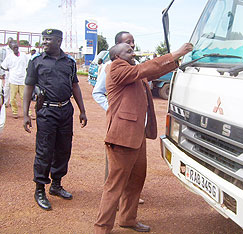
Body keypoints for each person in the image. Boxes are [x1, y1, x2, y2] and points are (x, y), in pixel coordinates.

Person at [94, 42, 193, 234]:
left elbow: (152, 72)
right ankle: (101, 228)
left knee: (137, 180)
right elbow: (146, 68)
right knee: (115, 185)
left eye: (133, 50)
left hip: (137, 136)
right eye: (128, 51)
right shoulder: (116, 68)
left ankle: (127, 219)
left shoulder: (133, 72)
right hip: (122, 138)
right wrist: (175, 53)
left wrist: (178, 61)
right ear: (117, 57)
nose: (133, 53)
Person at [23, 29, 87, 211]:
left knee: (63, 149)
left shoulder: (70, 62)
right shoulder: (36, 61)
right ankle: (40, 189)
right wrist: (26, 114)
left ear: (59, 41)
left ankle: (56, 185)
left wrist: (82, 110)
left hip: (66, 110)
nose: (44, 42)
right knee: (44, 150)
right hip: (46, 111)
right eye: (43, 38)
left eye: (48, 39)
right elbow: (28, 87)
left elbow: (75, 86)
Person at [92, 31, 144, 204]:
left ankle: (127, 199)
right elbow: (98, 93)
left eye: (133, 42)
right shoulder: (109, 67)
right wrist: (114, 110)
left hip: (137, 125)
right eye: (128, 43)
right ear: (117, 48)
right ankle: (113, 201)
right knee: (115, 168)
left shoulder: (135, 64)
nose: (132, 46)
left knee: (134, 165)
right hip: (120, 125)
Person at [1, 42, 30, 119]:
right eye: (14, 48)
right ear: (11, 49)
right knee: (12, 98)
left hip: (22, 80)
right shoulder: (9, 57)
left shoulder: (24, 55)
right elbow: (3, 66)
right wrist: (9, 70)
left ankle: (28, 113)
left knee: (24, 97)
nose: (16, 49)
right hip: (13, 79)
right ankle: (15, 112)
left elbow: (29, 65)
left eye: (17, 47)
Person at [1, 37, 14, 107]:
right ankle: (5, 102)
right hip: (7, 71)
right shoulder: (4, 50)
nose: (11, 43)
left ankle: (12, 102)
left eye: (12, 42)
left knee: (13, 87)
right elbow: (1, 61)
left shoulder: (15, 49)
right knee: (7, 86)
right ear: (7, 42)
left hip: (14, 71)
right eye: (10, 42)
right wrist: (2, 72)